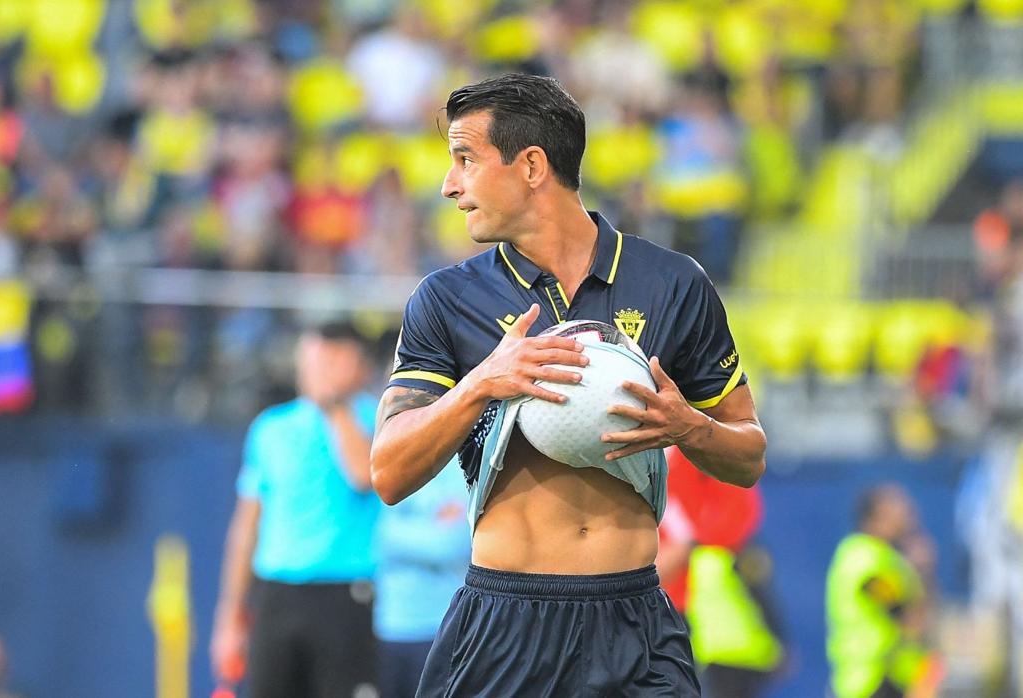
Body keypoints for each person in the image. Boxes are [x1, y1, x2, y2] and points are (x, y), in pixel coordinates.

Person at [370, 73, 766, 696]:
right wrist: (482, 383)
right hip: (505, 623)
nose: (449, 185)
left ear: (531, 166)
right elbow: (389, 472)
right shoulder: (446, 300)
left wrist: (689, 427)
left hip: (635, 623)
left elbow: (748, 455)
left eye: (466, 159)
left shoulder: (673, 283)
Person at [211, 322, 381, 698]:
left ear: (359, 366)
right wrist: (230, 614)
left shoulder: (380, 418)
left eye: (335, 359)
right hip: (277, 596)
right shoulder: (271, 428)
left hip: (346, 595)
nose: (320, 368)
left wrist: (335, 407)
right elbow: (247, 528)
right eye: (317, 357)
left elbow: (362, 475)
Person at [658, 447, 784, 698]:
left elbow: (738, 515)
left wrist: (688, 546)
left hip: (697, 617)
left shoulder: (699, 448)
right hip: (656, 607)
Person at [826, 484, 942, 698]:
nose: (907, 512)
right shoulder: (865, 558)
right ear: (876, 517)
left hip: (890, 681)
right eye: (897, 505)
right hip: (870, 682)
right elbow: (910, 620)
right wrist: (923, 571)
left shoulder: (887, 557)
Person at [373, 460, 471, 698]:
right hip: (392, 626)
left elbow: (455, 544)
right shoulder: (390, 467)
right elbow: (378, 536)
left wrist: (401, 529)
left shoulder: (461, 467)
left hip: (446, 626)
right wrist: (435, 527)